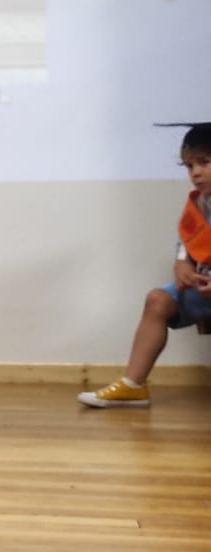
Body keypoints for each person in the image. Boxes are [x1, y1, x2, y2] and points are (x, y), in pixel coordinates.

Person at [79, 123, 211, 408]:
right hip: (205, 288)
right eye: (189, 166)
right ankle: (133, 385)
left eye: (205, 162)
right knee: (158, 300)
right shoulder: (200, 202)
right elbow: (188, 239)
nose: (196, 173)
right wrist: (182, 264)